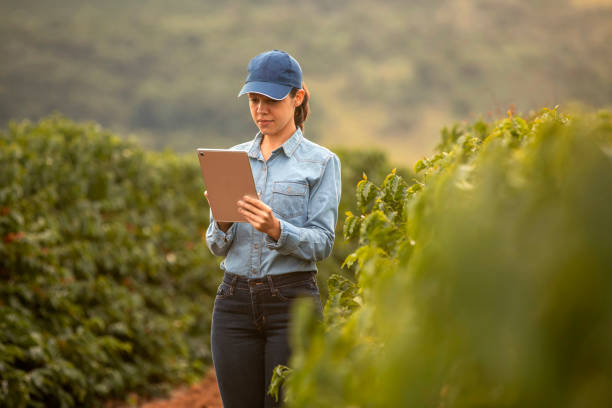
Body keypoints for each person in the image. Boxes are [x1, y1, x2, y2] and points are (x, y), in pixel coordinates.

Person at [204, 50, 341, 408]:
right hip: (232, 305)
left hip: (291, 305)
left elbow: (324, 243)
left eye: (271, 100)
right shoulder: (231, 158)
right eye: (254, 100)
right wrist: (220, 220)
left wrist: (278, 229)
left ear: (297, 98)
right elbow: (217, 246)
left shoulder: (322, 162)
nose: (261, 109)